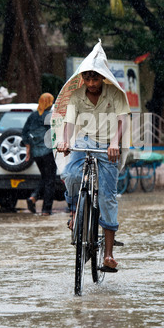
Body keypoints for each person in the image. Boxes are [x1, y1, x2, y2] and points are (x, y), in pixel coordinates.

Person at [56, 41, 130, 271]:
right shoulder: (77, 96)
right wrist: (65, 140)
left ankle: (108, 254)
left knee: (108, 196)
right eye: (87, 78)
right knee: (70, 175)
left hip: (109, 145)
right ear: (83, 79)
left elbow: (123, 119)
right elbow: (68, 121)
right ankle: (75, 210)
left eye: (95, 79)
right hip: (85, 141)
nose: (91, 83)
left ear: (102, 78)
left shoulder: (115, 94)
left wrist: (116, 143)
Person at [22, 93, 56, 215]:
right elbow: (56, 133)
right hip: (48, 152)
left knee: (45, 177)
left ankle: (34, 197)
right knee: (50, 180)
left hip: (36, 153)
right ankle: (46, 209)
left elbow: (25, 132)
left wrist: (28, 150)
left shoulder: (33, 116)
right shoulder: (50, 116)